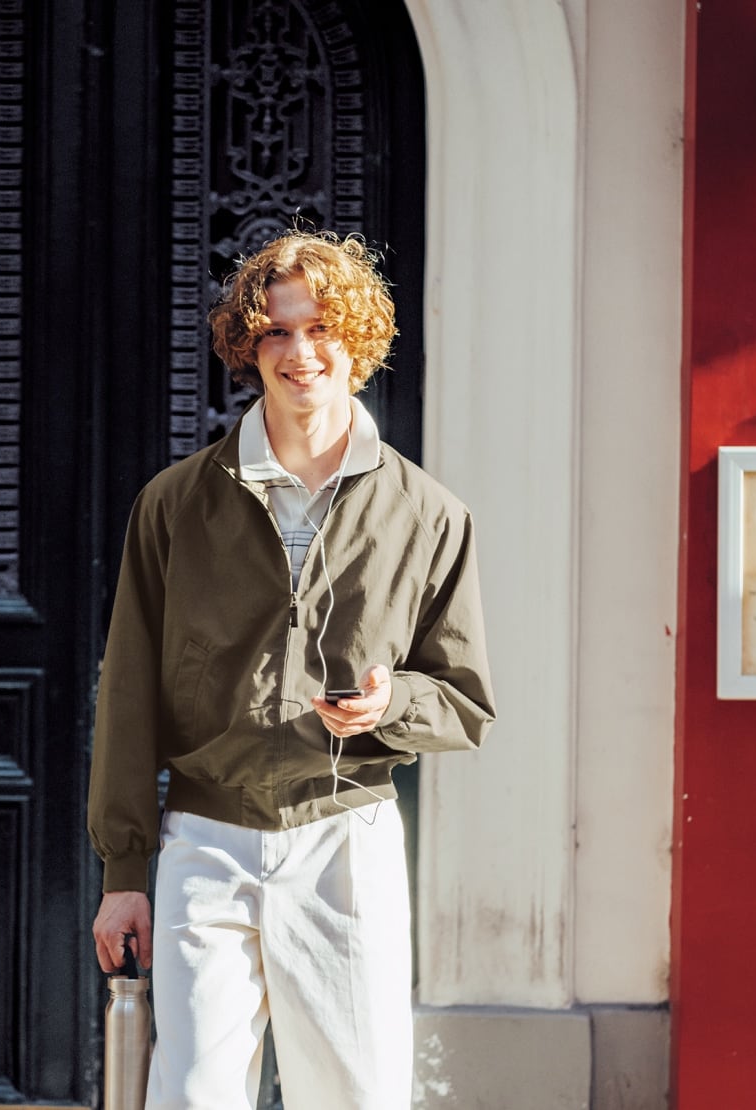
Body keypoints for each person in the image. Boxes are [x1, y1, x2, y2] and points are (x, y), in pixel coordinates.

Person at [88, 228, 495, 1110]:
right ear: (249, 347)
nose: (300, 352)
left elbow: (464, 702)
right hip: (204, 838)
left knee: (353, 1095)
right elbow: (126, 694)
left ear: (357, 339)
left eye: (320, 329)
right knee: (191, 1097)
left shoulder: (430, 515)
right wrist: (125, 873)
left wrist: (391, 706)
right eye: (275, 331)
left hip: (345, 838)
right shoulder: (174, 504)